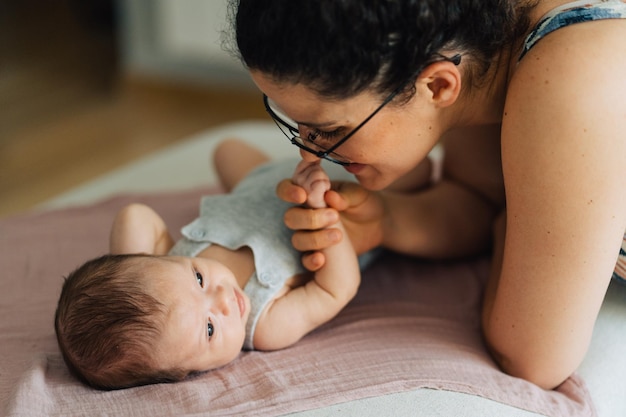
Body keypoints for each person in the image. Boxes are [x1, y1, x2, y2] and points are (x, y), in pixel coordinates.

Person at [230, 0, 626, 389]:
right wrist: (387, 221)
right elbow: (477, 197)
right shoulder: (484, 36)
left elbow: (532, 358)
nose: (306, 149)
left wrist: (515, 213)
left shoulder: (570, 77)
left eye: (330, 130)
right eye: (294, 123)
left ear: (436, 85)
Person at [54, 139, 361, 390]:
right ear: (186, 373)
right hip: (342, 209)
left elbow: (133, 216)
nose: (224, 299)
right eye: (210, 328)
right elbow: (338, 288)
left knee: (226, 149)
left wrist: (140, 275)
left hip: (264, 183)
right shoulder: (266, 325)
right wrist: (321, 212)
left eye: (199, 279)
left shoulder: (173, 258)